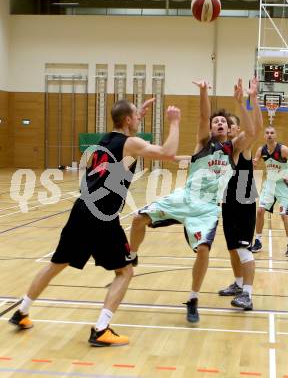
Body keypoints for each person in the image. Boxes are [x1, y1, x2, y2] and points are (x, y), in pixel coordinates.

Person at [9, 99, 181, 347]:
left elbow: (125, 150)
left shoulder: (104, 142)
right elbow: (167, 153)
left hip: (81, 209)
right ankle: (101, 329)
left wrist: (136, 116)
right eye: (136, 116)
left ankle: (22, 311)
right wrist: (174, 122)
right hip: (102, 215)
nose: (140, 119)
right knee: (125, 271)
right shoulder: (130, 143)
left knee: (57, 263)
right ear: (127, 120)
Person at [129, 79, 256, 323]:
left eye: (223, 122)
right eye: (215, 122)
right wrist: (204, 91)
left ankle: (193, 298)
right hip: (184, 198)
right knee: (137, 219)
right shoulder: (203, 143)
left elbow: (250, 132)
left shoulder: (234, 149)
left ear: (229, 129)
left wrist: (242, 104)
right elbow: (203, 116)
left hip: (207, 208)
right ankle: (131, 254)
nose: (219, 123)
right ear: (210, 128)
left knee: (203, 250)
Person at [218, 77, 263, 311]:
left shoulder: (240, 146)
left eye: (230, 123)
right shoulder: (219, 148)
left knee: (243, 248)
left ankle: (247, 293)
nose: (226, 125)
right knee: (233, 247)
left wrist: (248, 101)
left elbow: (254, 129)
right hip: (228, 201)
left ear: (235, 129)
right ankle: (237, 284)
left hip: (244, 201)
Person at [250, 126, 288, 257]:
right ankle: (258, 241)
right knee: (260, 211)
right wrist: (253, 164)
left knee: (284, 215)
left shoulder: (283, 149)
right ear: (264, 136)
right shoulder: (261, 150)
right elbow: (254, 166)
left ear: (276, 135)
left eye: (272, 133)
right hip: (270, 184)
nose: (269, 135)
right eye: (267, 133)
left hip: (283, 186)